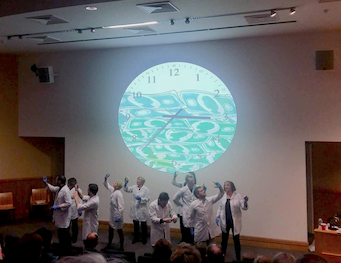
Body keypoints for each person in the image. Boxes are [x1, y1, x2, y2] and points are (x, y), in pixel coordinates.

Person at [216, 181, 248, 261]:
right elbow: (220, 207)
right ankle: (222, 256)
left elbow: (244, 207)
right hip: (225, 221)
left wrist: (245, 202)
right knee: (224, 240)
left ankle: (238, 258)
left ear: (232, 186)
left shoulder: (237, 196)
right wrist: (217, 216)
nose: (226, 186)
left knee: (236, 240)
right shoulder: (223, 196)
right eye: (225, 185)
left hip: (234, 222)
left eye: (228, 185)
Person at [43, 175, 72, 248]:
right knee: (60, 232)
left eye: (57, 180)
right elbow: (52, 189)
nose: (55, 181)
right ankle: (63, 246)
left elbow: (69, 203)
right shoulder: (60, 188)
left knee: (64, 233)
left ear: (59, 181)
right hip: (60, 216)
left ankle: (66, 247)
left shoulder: (65, 190)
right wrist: (46, 183)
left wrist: (58, 206)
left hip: (64, 215)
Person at [171, 172, 197, 243]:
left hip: (193, 210)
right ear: (187, 180)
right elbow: (175, 198)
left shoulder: (196, 187)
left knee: (193, 226)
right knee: (184, 226)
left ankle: (192, 240)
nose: (192, 180)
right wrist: (174, 177)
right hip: (184, 209)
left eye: (192, 178)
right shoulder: (183, 187)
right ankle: (184, 240)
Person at [124, 176, 150, 244]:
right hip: (135, 209)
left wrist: (141, 199)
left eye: (139, 180)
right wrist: (125, 184)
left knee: (143, 225)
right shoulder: (134, 187)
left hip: (142, 209)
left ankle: (144, 239)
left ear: (142, 182)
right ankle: (136, 238)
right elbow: (126, 190)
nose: (137, 181)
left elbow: (147, 199)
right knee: (135, 224)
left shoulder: (146, 189)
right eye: (137, 180)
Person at [103, 174, 125, 250]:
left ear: (117, 186)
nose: (113, 183)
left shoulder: (118, 194)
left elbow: (121, 207)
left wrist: (118, 216)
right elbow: (107, 186)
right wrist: (106, 179)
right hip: (113, 215)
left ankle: (122, 247)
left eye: (115, 183)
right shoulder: (113, 190)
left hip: (117, 215)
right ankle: (109, 244)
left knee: (119, 231)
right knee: (111, 230)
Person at [68, 177, 83, 244]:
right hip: (68, 209)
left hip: (75, 209)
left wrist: (80, 209)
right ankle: (68, 237)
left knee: (74, 225)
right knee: (67, 225)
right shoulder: (66, 189)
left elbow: (80, 200)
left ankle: (74, 238)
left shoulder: (78, 190)